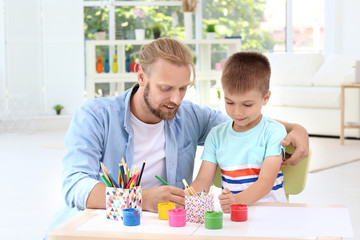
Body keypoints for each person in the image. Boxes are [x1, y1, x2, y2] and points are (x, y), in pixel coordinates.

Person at [47, 38, 308, 234]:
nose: (176, 99)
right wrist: (141, 198)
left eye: (183, 88)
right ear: (141, 75)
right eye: (166, 88)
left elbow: (245, 124)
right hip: (103, 227)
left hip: (164, 228)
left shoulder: (189, 115)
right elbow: (74, 186)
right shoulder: (95, 116)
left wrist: (296, 129)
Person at [191, 52, 289, 212]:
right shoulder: (216, 135)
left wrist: (237, 200)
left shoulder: (274, 131)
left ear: (266, 98)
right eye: (229, 102)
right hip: (235, 216)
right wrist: (187, 198)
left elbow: (266, 182)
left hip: (273, 213)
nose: (237, 112)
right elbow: (203, 180)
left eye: (247, 105)